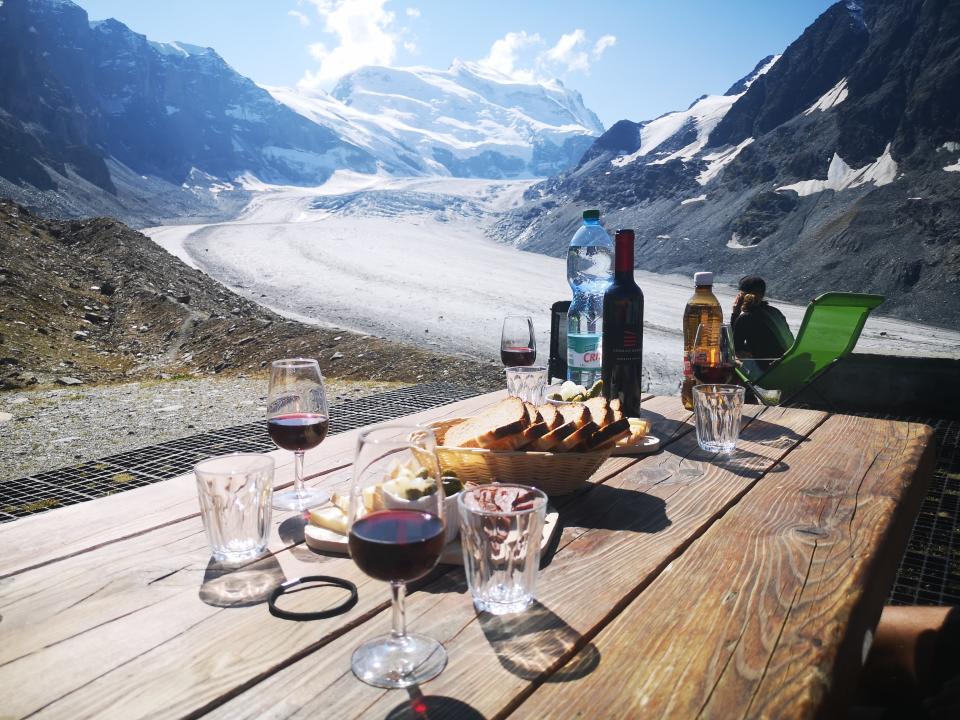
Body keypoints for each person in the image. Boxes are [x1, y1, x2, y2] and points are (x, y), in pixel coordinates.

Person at [731, 276, 794, 372]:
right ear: (763, 294)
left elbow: (732, 346)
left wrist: (735, 314)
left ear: (741, 295)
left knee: (727, 360)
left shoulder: (746, 317)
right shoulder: (775, 312)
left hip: (766, 373)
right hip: (787, 368)